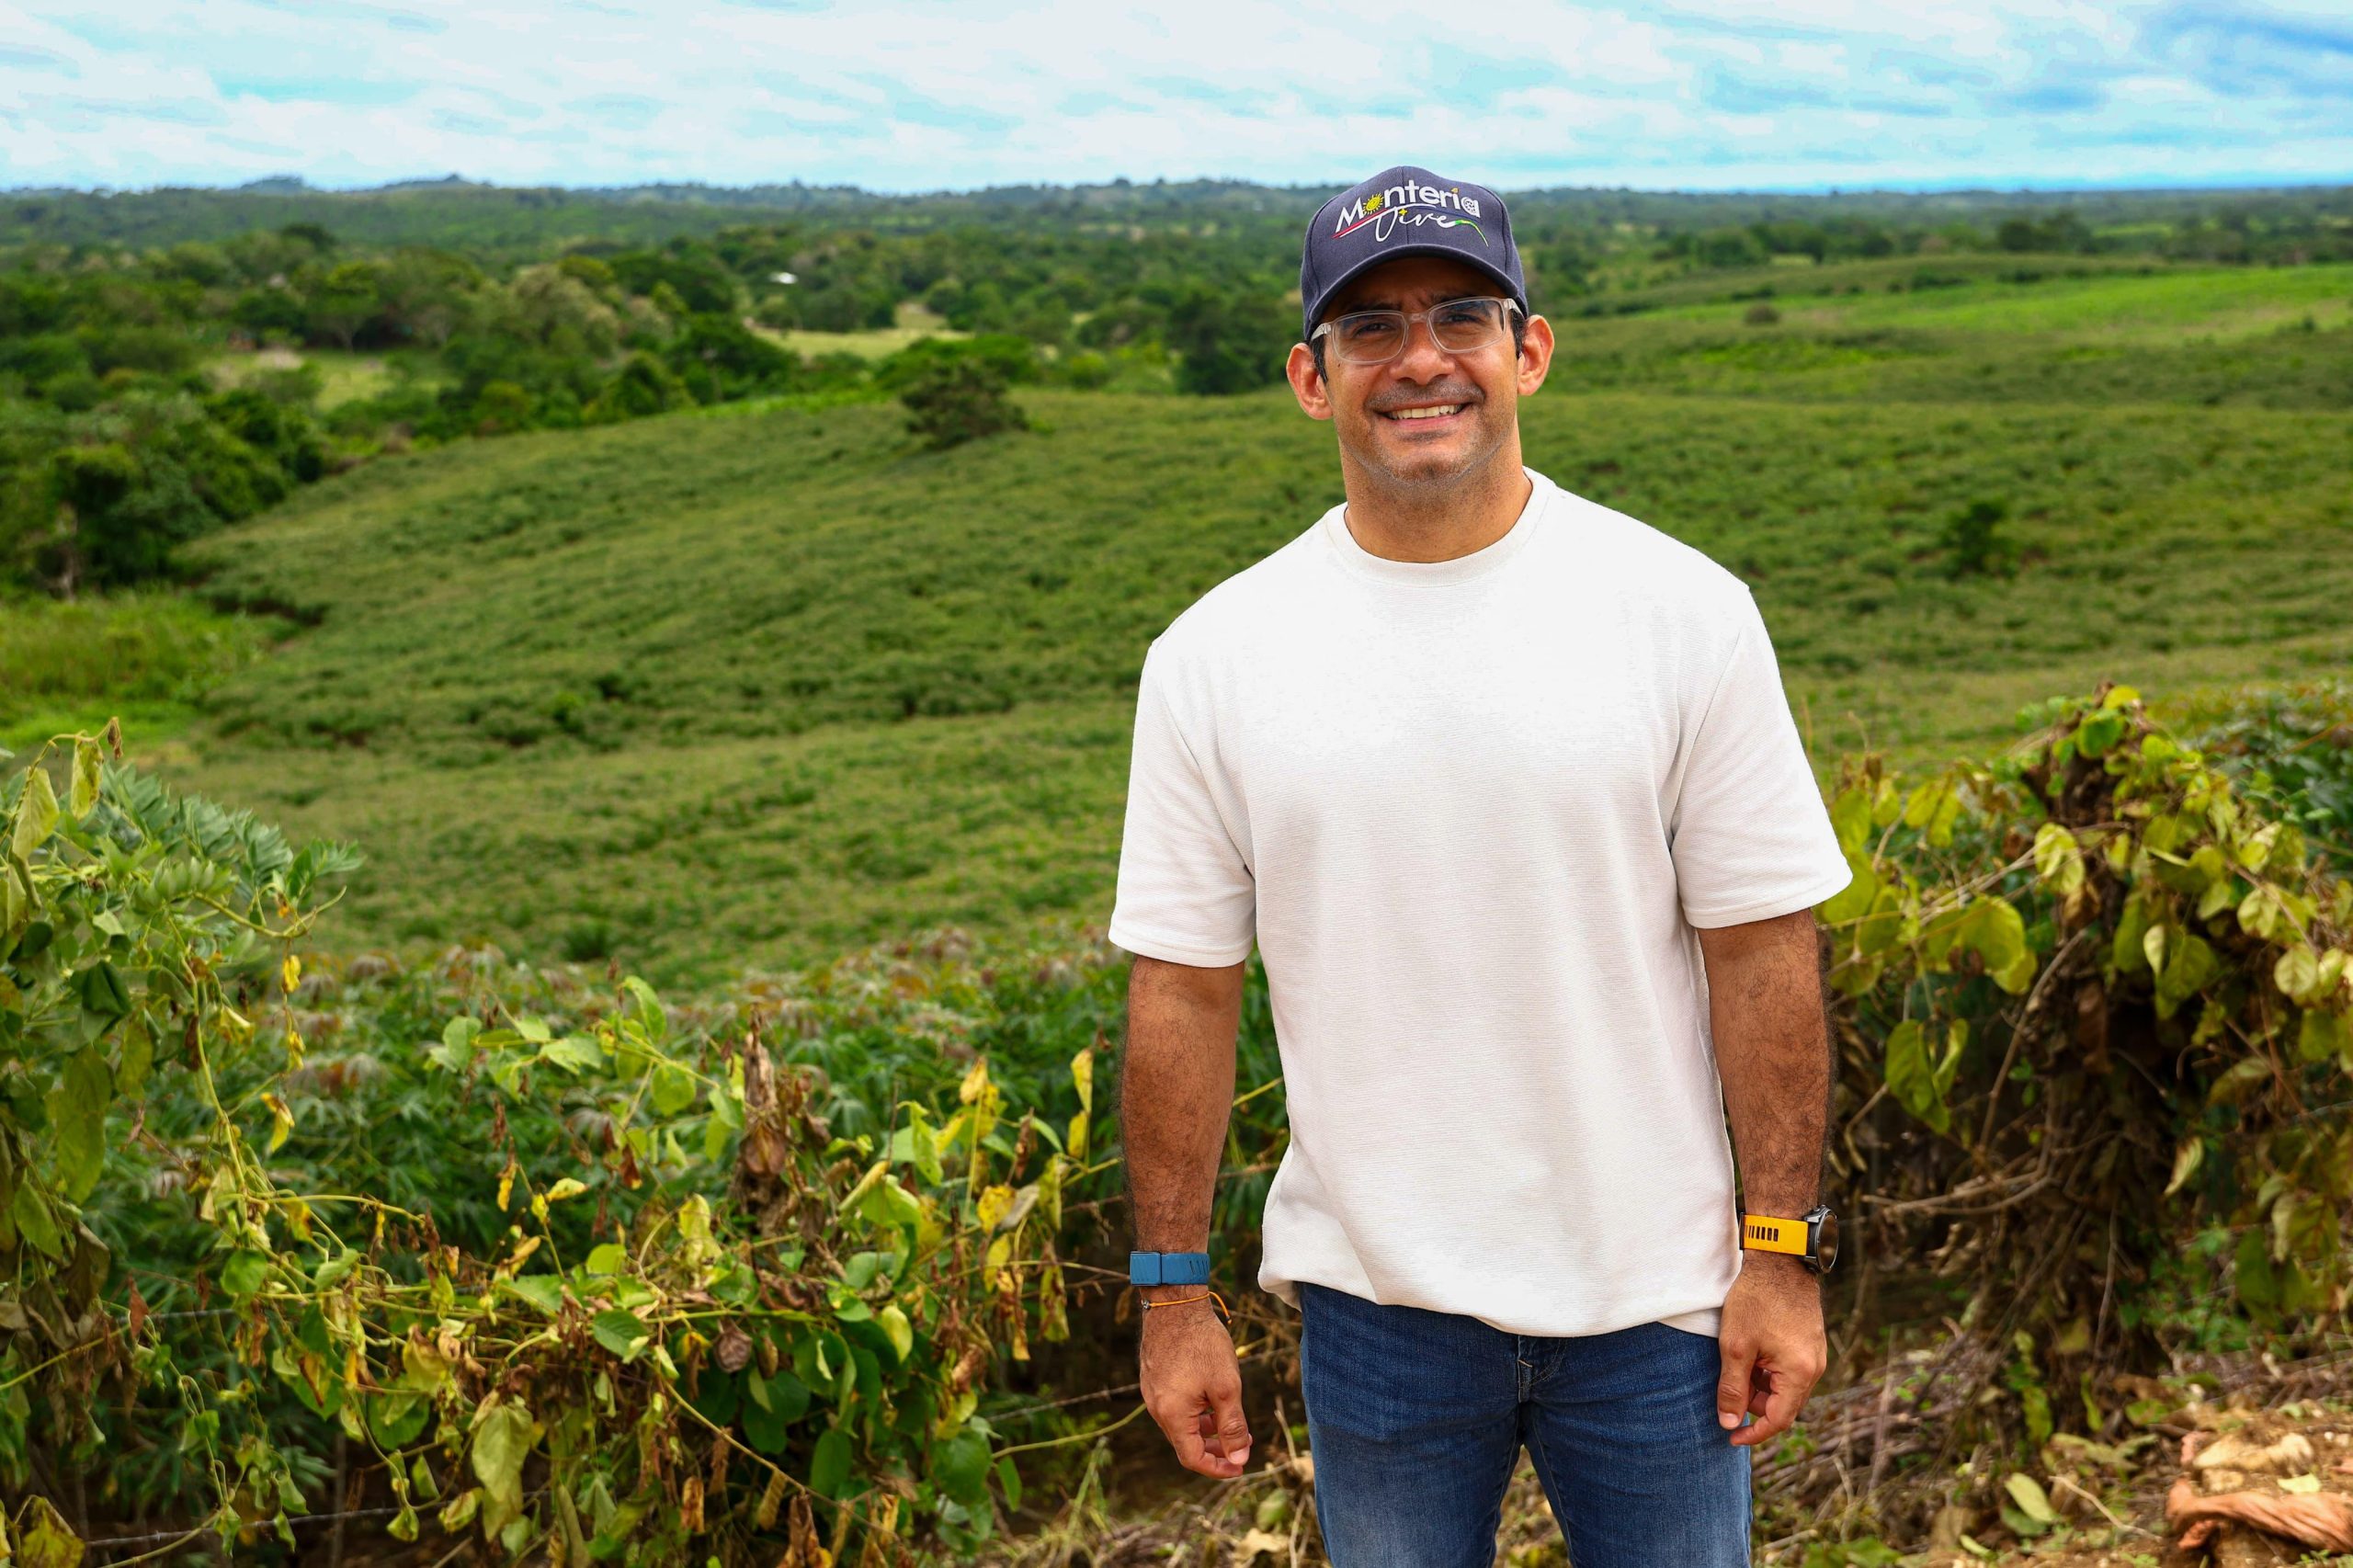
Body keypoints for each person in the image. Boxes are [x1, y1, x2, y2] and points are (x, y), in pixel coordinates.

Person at [1105, 165, 1852, 1568]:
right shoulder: (1214, 659)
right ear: (1312, 378)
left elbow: (1763, 947)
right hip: (1377, 1312)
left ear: (1530, 350)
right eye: (1370, 328)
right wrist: (1170, 1294)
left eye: (1461, 315)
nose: (1422, 359)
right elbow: (1183, 987)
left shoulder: (1684, 614)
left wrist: (1782, 1250)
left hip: (1659, 1298)